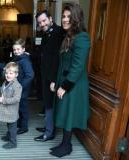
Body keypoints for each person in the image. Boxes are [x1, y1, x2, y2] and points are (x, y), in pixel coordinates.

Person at [49, 2, 91, 157]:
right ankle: (64, 143)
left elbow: (77, 67)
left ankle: (67, 145)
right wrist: (55, 80)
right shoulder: (69, 36)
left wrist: (64, 86)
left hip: (73, 84)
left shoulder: (82, 38)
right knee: (65, 112)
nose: (65, 19)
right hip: (65, 80)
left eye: (69, 17)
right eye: (64, 16)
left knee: (69, 113)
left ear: (76, 18)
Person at [0, 39, 34, 135]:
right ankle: (19, 123)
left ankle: (24, 127)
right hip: (18, 89)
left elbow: (30, 75)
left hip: (22, 89)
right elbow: (8, 67)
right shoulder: (17, 58)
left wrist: (20, 87)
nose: (16, 51)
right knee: (18, 107)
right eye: (14, 50)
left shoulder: (25, 61)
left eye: (18, 49)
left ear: (23, 49)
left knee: (23, 108)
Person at [34, 10, 65, 141]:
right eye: (40, 22)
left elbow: (57, 58)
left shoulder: (58, 32)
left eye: (44, 20)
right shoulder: (45, 33)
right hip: (45, 74)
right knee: (47, 102)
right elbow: (43, 54)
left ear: (50, 18)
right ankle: (48, 126)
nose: (42, 24)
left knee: (50, 104)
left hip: (52, 76)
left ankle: (49, 132)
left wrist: (53, 79)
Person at [0, 62, 22, 149]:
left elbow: (16, 99)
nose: (8, 75)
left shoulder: (17, 85)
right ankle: (9, 136)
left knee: (12, 127)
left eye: (11, 73)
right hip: (7, 111)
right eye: (7, 73)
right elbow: (1, 89)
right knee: (9, 125)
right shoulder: (6, 82)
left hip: (12, 112)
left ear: (16, 74)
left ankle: (13, 142)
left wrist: (4, 100)